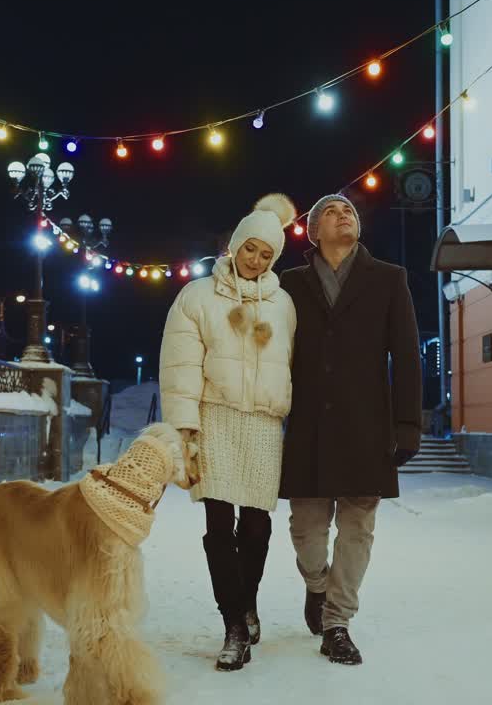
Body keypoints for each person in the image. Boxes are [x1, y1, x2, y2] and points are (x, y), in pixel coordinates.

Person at [278, 193, 422, 666]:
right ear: (312, 231)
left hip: (367, 426)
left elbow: (405, 355)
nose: (344, 217)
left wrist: (407, 423)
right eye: (332, 213)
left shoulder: (388, 278)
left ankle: (337, 622)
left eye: (351, 212)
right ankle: (317, 586)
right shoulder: (290, 285)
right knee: (307, 529)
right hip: (307, 425)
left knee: (358, 528)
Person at [159, 194, 298, 671]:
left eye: (267, 253)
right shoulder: (197, 296)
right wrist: (185, 430)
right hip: (214, 417)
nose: (256, 260)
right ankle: (233, 625)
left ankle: (247, 601)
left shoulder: (283, 304)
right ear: (235, 245)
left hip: (262, 422)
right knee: (219, 527)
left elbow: (292, 365)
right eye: (250, 248)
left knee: (256, 525)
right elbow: (178, 367)